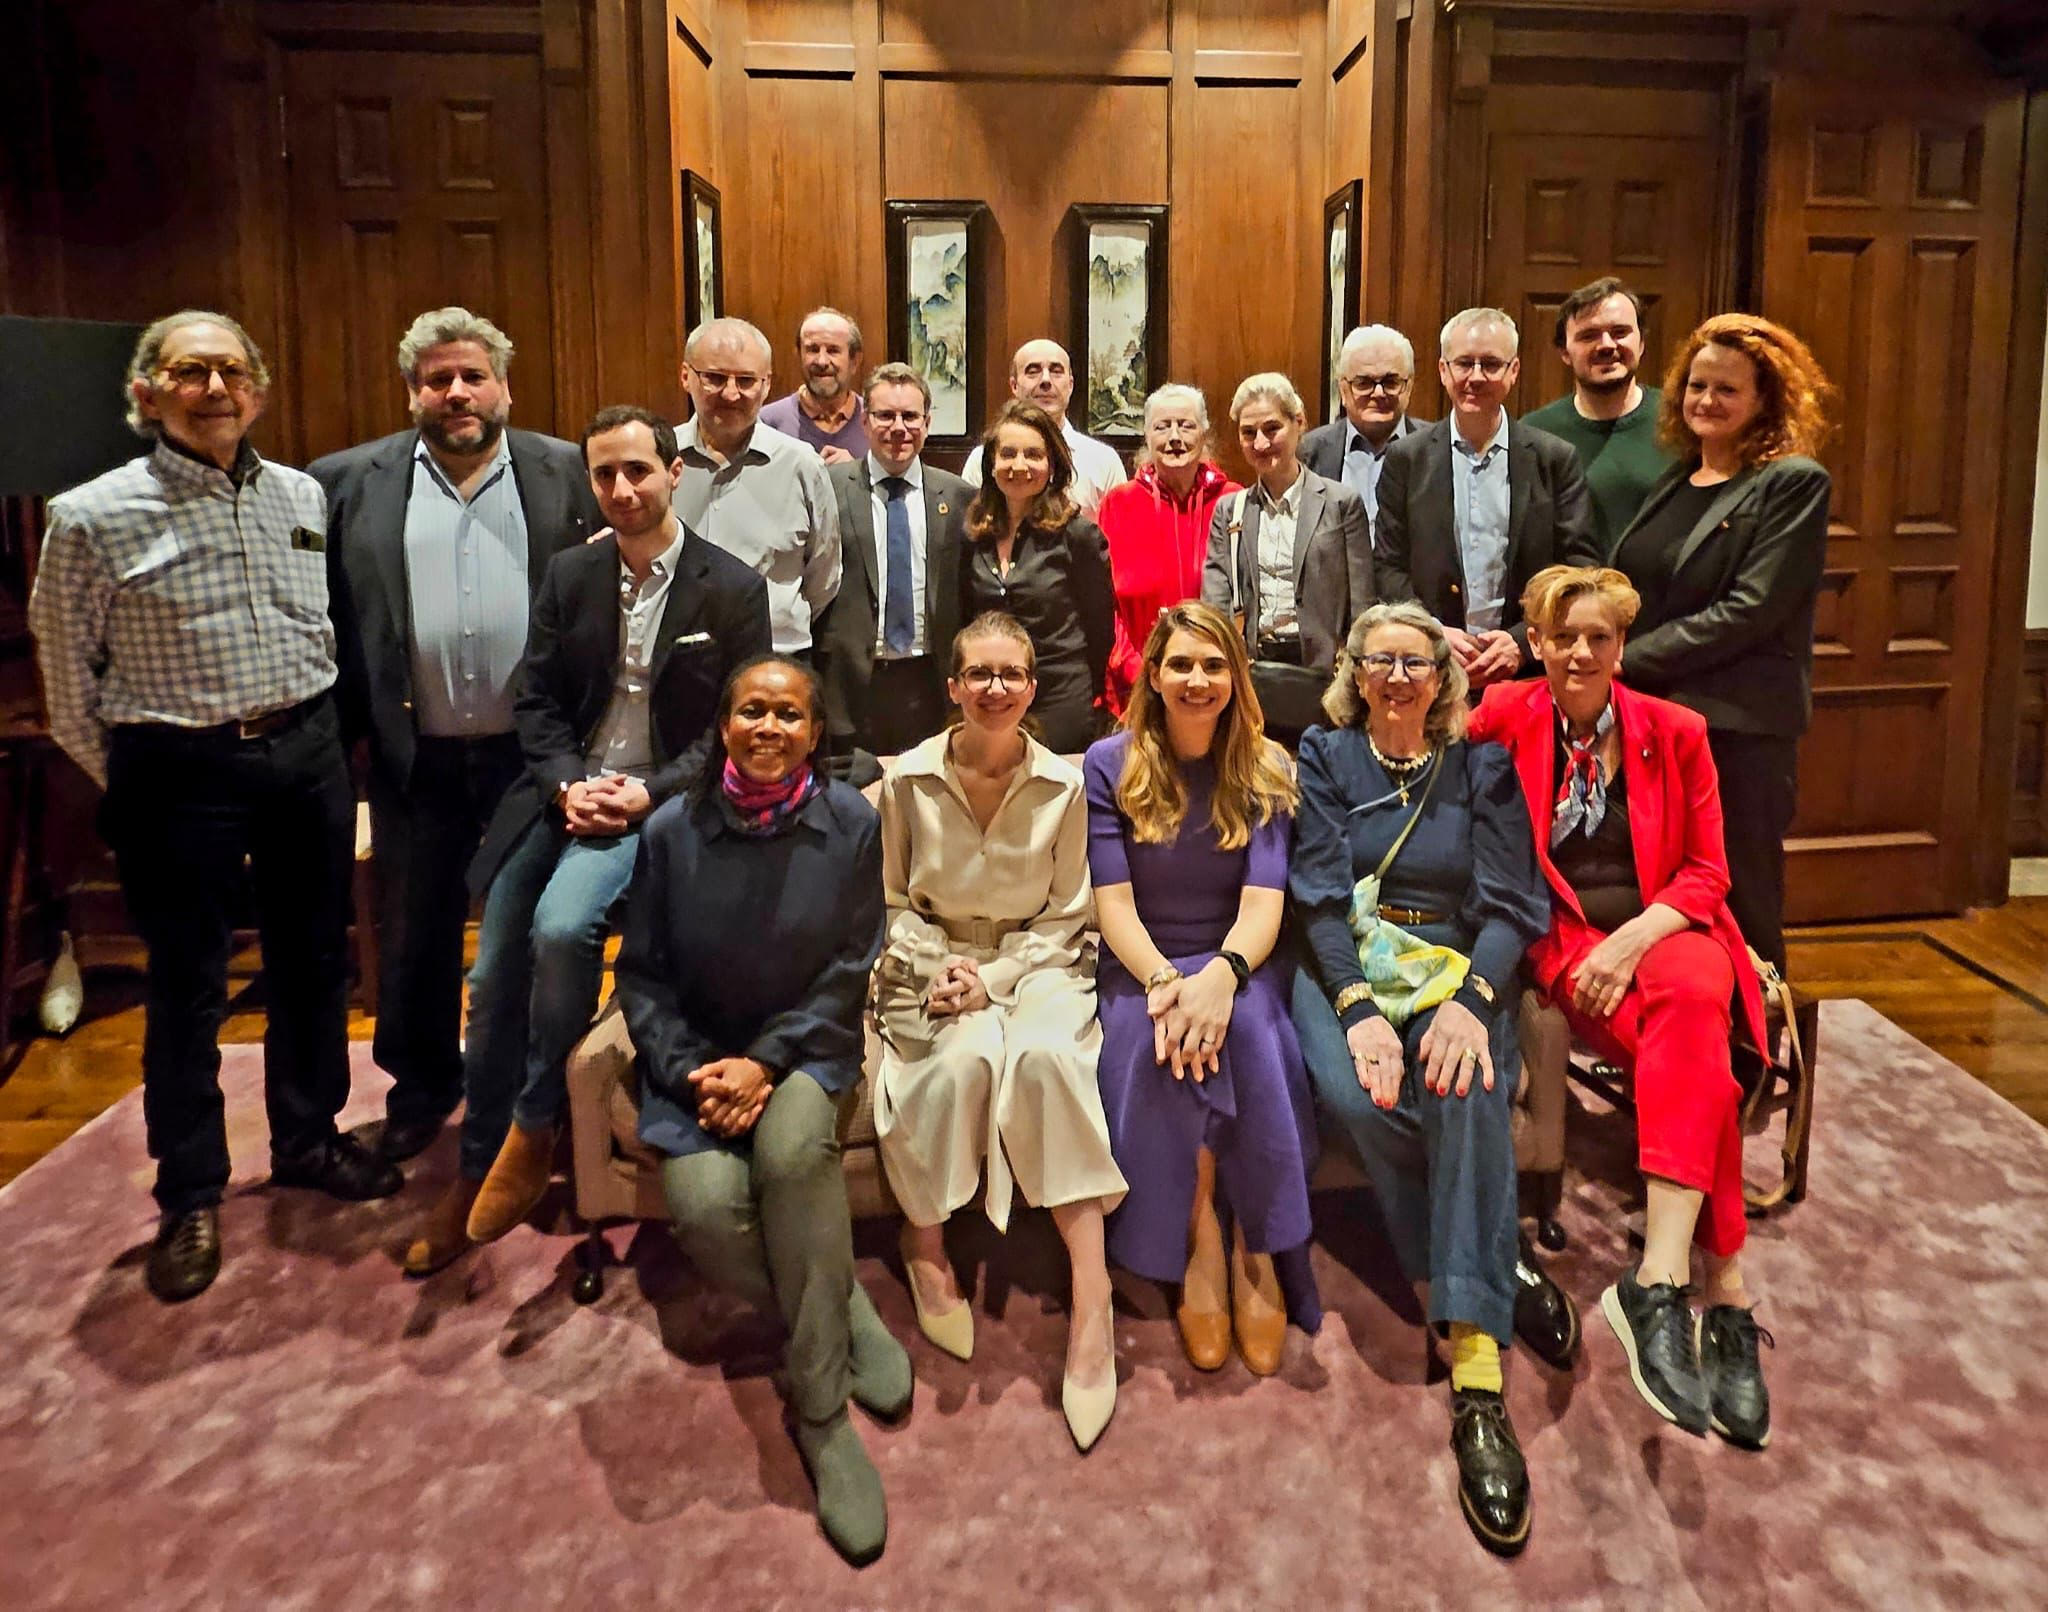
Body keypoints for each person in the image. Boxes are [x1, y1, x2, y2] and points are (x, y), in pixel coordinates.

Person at [29, 310, 400, 1303]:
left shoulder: (300, 494)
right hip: (176, 769)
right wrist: (135, 776)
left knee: (312, 963)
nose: (214, 390)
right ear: (146, 392)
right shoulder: (90, 516)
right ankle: (190, 1190)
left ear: (259, 391)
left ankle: (308, 1139)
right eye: (190, 371)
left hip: (305, 752)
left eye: (232, 372)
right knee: (189, 985)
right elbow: (66, 682)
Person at [432, 407, 771, 1274]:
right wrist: (565, 785)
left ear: (675, 472)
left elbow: (737, 725)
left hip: (658, 805)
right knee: (492, 969)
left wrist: (646, 791)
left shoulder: (732, 587)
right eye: (604, 473)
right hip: (561, 796)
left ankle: (535, 1122)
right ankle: (478, 1161)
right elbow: (536, 700)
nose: (621, 488)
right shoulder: (570, 574)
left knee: (561, 928)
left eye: (637, 470)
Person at [1468, 564, 1778, 1452]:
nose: (1580, 652)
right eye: (1562, 636)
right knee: (1704, 1073)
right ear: (1534, 642)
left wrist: (1636, 939)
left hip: (1665, 927)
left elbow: (1708, 872)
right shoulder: (1504, 716)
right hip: (1566, 937)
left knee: (1693, 992)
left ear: (1621, 645)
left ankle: (1661, 1277)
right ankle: (1725, 1295)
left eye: (1598, 637)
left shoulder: (1677, 731)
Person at [614, 654, 908, 1565]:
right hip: (699, 1062)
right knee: (703, 1207)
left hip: (806, 1050)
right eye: (752, 712)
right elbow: (642, 977)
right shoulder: (671, 830)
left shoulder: (851, 821)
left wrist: (767, 1063)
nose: (769, 728)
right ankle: (838, 1295)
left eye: (788, 715)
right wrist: (695, 1071)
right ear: (724, 727)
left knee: (789, 1160)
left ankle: (819, 1413)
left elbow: (853, 963)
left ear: (815, 733)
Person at [1286, 602, 1553, 1555]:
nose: (1397, 677)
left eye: (1415, 661)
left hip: (1452, 961)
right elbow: (1319, 899)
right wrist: (1359, 1009)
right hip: (1346, 959)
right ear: (1355, 674)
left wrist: (1472, 1002)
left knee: (1463, 1082)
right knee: (1359, 1095)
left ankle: (1476, 1375)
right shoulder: (1324, 756)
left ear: (1443, 677)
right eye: (1379, 661)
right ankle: (1492, 1257)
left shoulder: (1481, 766)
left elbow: (1513, 905)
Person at [312, 306, 601, 1165]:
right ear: (412, 393)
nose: (457, 392)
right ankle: (422, 1089)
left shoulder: (568, 472)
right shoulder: (346, 484)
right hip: (414, 754)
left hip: (531, 754)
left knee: (537, 929)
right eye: (438, 380)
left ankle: (538, 1091)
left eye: (474, 375)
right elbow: (329, 618)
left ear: (504, 386)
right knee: (414, 932)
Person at [873, 613, 1128, 1450]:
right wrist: (938, 966)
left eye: (1010, 673)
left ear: (1032, 686)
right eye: (978, 674)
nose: (995, 688)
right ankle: (925, 1243)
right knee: (963, 1060)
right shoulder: (907, 782)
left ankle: (1092, 1293)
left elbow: (1067, 915)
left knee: (1047, 1059)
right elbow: (892, 901)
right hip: (930, 961)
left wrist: (995, 977)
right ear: (952, 686)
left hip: (1038, 962)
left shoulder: (1064, 786)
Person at [1084, 601, 1319, 1376]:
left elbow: (1263, 907)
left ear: (1236, 678)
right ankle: (1197, 1238)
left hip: (1238, 957)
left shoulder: (1268, 767)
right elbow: (1114, 905)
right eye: (1180, 664)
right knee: (1155, 1043)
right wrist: (1166, 982)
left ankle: (1256, 1241)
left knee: (1250, 1032)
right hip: (1142, 964)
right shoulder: (1109, 764)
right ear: (1153, 675)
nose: (1197, 679)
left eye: (1215, 665)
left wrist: (1221, 977)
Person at [1610, 313, 1834, 972]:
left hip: (1738, 732)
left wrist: (1625, 661)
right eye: (1697, 385)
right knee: (1665, 892)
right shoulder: (1679, 477)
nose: (1706, 400)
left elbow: (1749, 611)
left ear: (1765, 399)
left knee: (1743, 897)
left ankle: (1760, 1026)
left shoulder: (1792, 482)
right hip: (1657, 719)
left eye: (1727, 389)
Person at [1373, 308, 1598, 693]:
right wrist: (1430, 632)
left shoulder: (1554, 459)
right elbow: (1388, 565)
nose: (1476, 377)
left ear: (1514, 371)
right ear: (1443, 371)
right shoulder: (1406, 459)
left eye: (1491, 364)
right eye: (1464, 363)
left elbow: (1579, 565)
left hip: (1528, 675)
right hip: (1430, 671)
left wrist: (1524, 640)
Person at [1199, 372, 1373, 741]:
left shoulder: (1341, 503)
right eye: (1248, 433)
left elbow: (1362, 606)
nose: (1260, 443)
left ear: (1299, 423)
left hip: (1325, 678)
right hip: (1253, 677)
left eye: (1272, 428)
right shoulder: (1230, 510)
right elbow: (1216, 602)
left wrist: (1353, 678)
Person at [816, 362, 969, 757]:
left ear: (927, 423)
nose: (898, 428)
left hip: (931, 680)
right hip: (850, 684)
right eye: (885, 415)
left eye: (910, 416)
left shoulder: (958, 496)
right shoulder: (829, 487)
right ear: (865, 422)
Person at [673, 316, 842, 658]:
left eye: (746, 380)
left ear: (766, 385)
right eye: (715, 378)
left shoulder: (801, 464)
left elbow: (824, 576)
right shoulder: (657, 459)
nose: (731, 393)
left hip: (777, 659)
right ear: (686, 376)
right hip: (680, 658)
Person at [960, 400, 1115, 754]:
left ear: (1052, 465)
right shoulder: (973, 535)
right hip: (991, 698)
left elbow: (1100, 630)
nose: (1019, 465)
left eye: (1033, 455)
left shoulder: (1078, 536)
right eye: (1008, 454)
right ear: (991, 464)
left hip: (1059, 698)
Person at [1095, 383, 1239, 711]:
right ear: (1147, 436)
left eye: (1186, 425)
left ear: (1204, 433)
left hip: (1212, 685)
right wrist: (1135, 669)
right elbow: (1103, 603)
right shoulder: (1119, 503)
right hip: (1135, 684)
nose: (1175, 437)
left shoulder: (1232, 500)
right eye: (1162, 427)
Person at [1521, 277, 1677, 548]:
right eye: (1589, 335)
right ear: (1564, 352)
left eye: (1620, 332)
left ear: (1641, 343)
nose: (1606, 345)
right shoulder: (1533, 435)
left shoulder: (1682, 421)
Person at [960, 339, 1128, 517]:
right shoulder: (983, 460)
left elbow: (1120, 530)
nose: (1046, 380)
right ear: (1014, 385)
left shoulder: (1104, 461)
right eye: (1033, 372)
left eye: (1056, 371)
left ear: (1070, 385)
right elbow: (971, 526)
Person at [1301, 324, 1430, 539]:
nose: (1378, 393)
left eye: (1391, 382)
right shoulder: (1308, 452)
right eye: (1363, 383)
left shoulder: (1437, 449)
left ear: (1408, 386)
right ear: (1343, 389)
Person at [758, 306, 869, 464]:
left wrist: (857, 471)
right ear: (799, 355)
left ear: (855, 361)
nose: (822, 361)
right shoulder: (767, 423)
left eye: (833, 350)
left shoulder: (878, 421)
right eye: (813, 349)